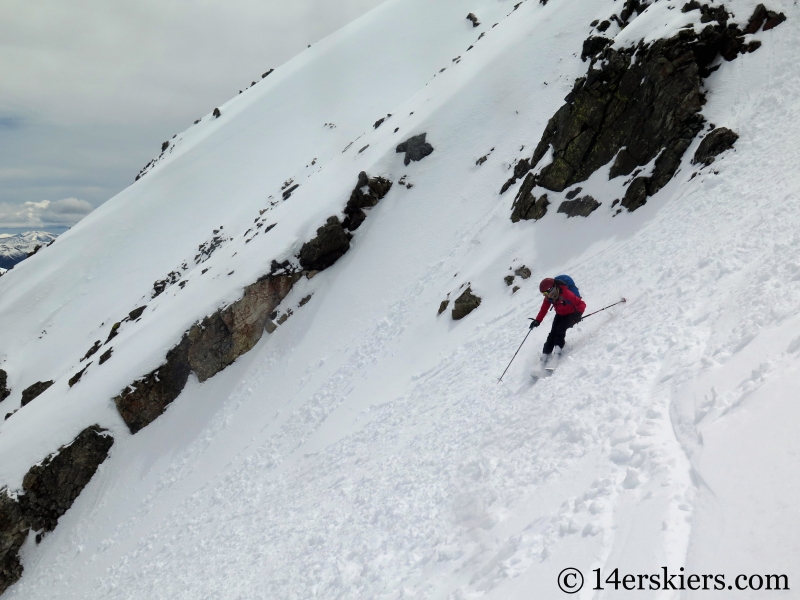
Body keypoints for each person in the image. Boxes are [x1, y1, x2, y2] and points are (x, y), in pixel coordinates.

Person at [529, 277, 586, 356]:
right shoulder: (549, 298)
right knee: (552, 333)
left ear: (551, 290)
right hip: (560, 314)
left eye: (545, 293)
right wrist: (537, 320)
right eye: (543, 294)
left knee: (560, 330)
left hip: (571, 315)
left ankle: (558, 351)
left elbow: (581, 303)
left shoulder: (566, 293)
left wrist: (578, 314)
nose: (544, 296)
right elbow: (543, 310)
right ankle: (546, 354)